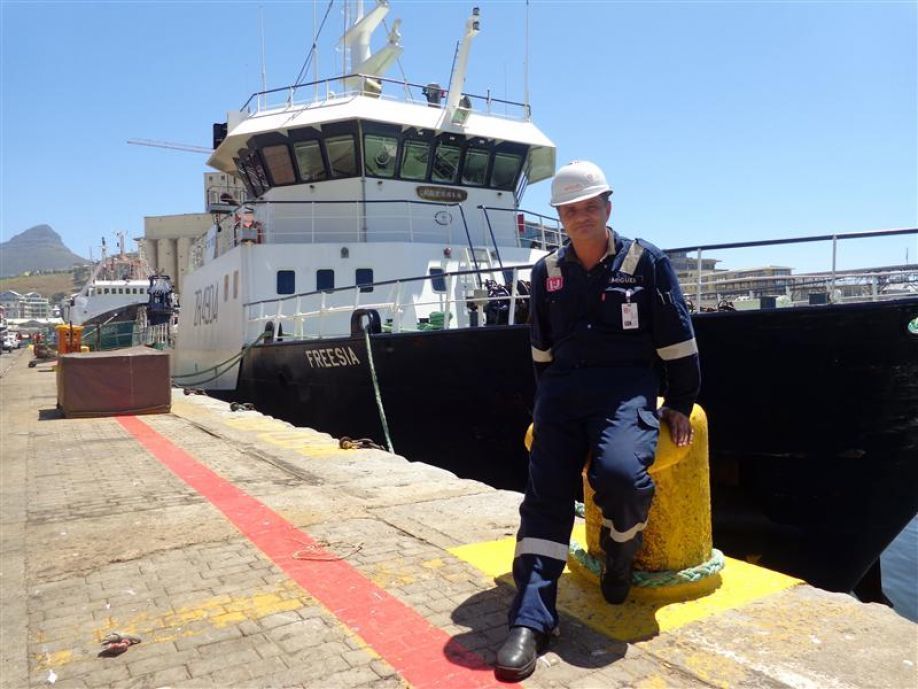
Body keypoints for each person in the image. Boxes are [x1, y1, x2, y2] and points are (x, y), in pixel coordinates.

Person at [495, 161, 701, 682]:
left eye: (591, 206)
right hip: (562, 395)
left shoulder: (645, 262)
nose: (581, 216)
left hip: (624, 389)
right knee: (544, 499)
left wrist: (679, 399)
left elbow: (677, 337)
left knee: (619, 476)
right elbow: (540, 348)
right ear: (560, 216)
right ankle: (532, 619)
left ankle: (619, 548)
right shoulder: (547, 272)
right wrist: (548, 412)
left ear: (608, 207)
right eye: (571, 209)